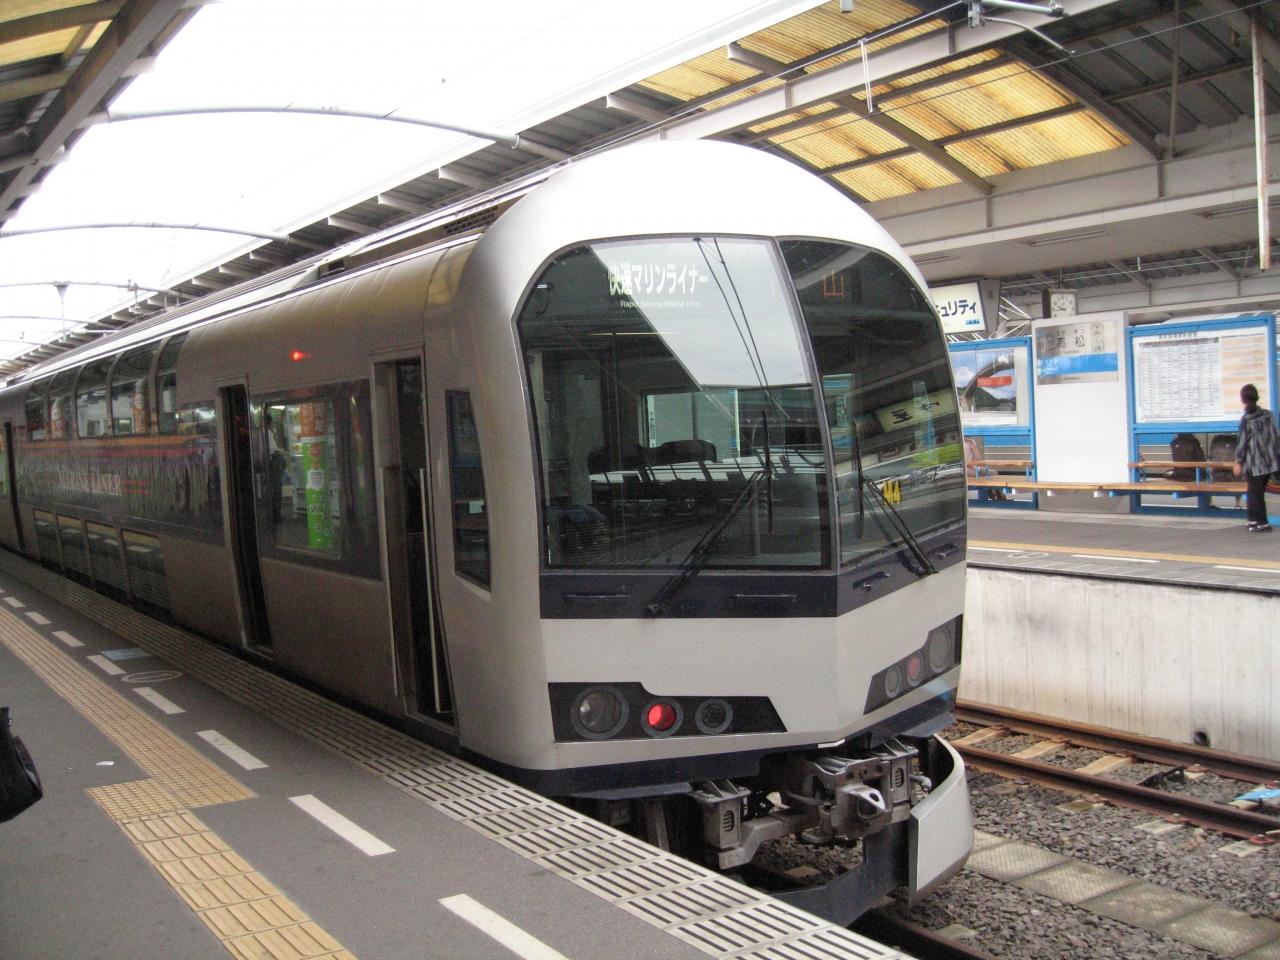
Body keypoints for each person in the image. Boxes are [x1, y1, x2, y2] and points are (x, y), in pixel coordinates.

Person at [1232, 383, 1279, 532]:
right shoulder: (1268, 415)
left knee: (1255, 493)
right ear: (1257, 397)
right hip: (1270, 461)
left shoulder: (1246, 419)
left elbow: (1242, 442)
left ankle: (1262, 523)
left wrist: (1238, 461)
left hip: (1254, 463)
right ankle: (1253, 520)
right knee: (1254, 492)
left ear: (1243, 400)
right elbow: (1275, 436)